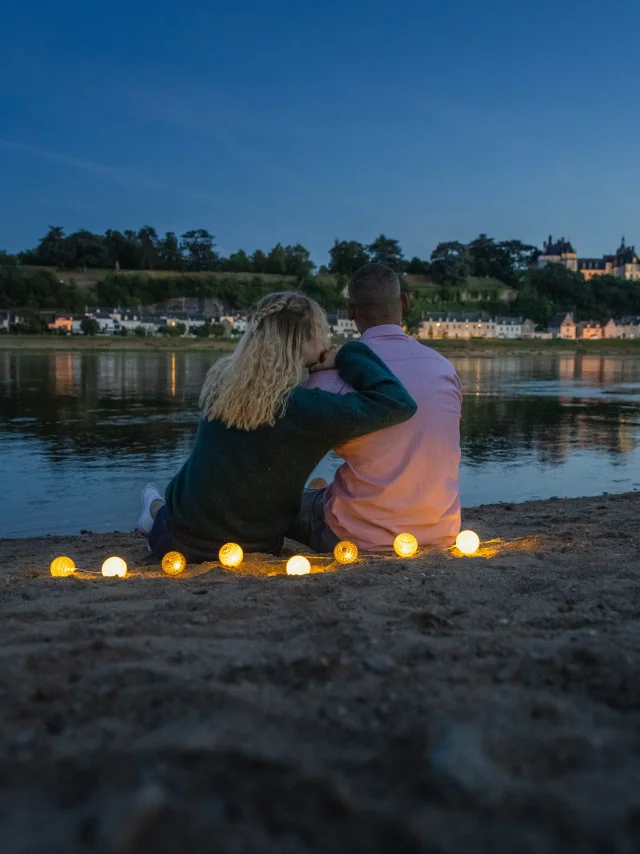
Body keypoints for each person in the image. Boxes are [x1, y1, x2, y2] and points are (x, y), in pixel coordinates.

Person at [137, 291, 417, 561]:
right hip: (256, 547)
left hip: (175, 541)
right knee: (309, 490)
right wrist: (348, 354)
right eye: (322, 333)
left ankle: (154, 507)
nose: (326, 341)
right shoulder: (306, 409)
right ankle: (152, 505)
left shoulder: (221, 385)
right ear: (307, 337)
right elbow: (398, 402)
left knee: (175, 504)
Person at [299, 263, 462, 552]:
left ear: (350, 311)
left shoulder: (328, 375)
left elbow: (294, 448)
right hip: (441, 531)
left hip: (353, 538)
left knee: (294, 500)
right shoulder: (443, 368)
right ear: (405, 302)